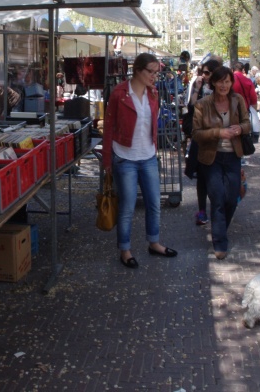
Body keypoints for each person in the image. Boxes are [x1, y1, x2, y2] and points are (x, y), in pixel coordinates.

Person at [103, 53, 178, 269]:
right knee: (127, 206)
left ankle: (154, 242)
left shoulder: (153, 93)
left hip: (148, 156)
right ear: (137, 70)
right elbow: (108, 127)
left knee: (154, 202)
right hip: (124, 156)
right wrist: (107, 160)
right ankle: (125, 250)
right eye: (151, 72)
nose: (155, 76)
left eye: (157, 72)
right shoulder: (119, 93)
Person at [192, 66, 251, 259]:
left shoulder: (238, 100)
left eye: (227, 81)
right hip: (211, 157)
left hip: (233, 155)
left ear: (231, 83)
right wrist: (219, 132)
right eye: (220, 81)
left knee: (232, 197)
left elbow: (247, 123)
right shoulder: (203, 104)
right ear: (213, 83)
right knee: (217, 197)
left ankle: (220, 229)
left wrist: (240, 129)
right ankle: (220, 242)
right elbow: (196, 134)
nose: (224, 85)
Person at [187, 59, 221, 226]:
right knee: (201, 177)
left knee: (215, 178)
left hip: (218, 140)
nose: (205, 76)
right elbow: (191, 106)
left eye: (208, 73)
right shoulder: (199, 87)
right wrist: (197, 88)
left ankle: (217, 210)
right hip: (201, 138)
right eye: (203, 72)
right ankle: (202, 211)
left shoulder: (223, 89)